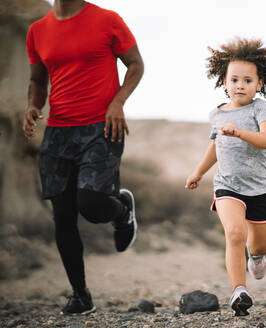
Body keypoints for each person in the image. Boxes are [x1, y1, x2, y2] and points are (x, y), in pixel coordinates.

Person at [23, 0, 144, 315]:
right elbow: (38, 80)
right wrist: (33, 106)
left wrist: (118, 102)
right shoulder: (37, 30)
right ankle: (81, 295)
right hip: (57, 134)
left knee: (90, 204)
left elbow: (135, 64)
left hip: (101, 127)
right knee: (62, 217)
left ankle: (121, 210)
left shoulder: (107, 20)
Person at [185, 38, 266, 316]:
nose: (240, 85)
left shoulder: (259, 108)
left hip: (260, 188)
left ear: (259, 83)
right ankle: (239, 290)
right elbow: (215, 147)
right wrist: (199, 172)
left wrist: (239, 132)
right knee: (235, 233)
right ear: (223, 82)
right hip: (228, 186)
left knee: (260, 244)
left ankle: (258, 256)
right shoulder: (216, 114)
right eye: (234, 79)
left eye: (248, 80)